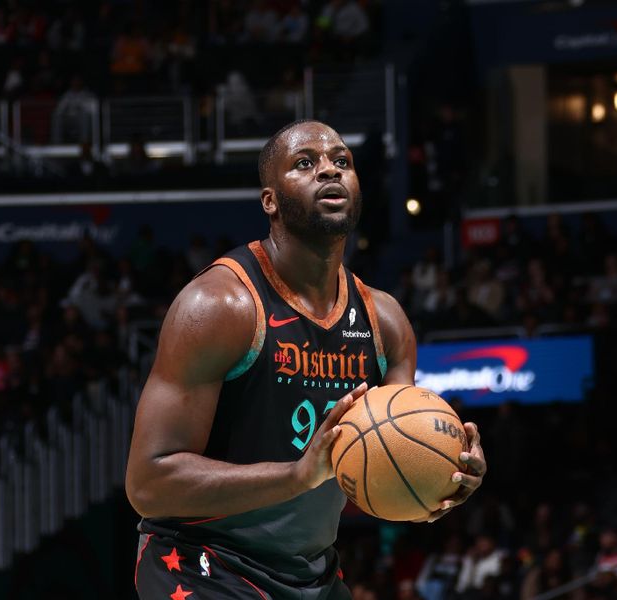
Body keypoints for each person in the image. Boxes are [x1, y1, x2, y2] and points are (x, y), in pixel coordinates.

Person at [125, 119, 486, 599]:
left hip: (310, 572)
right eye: (305, 163)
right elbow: (149, 482)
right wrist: (297, 476)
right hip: (200, 561)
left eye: (342, 161)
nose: (329, 171)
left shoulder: (386, 323)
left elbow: (387, 469)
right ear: (270, 200)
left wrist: (439, 479)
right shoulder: (218, 306)